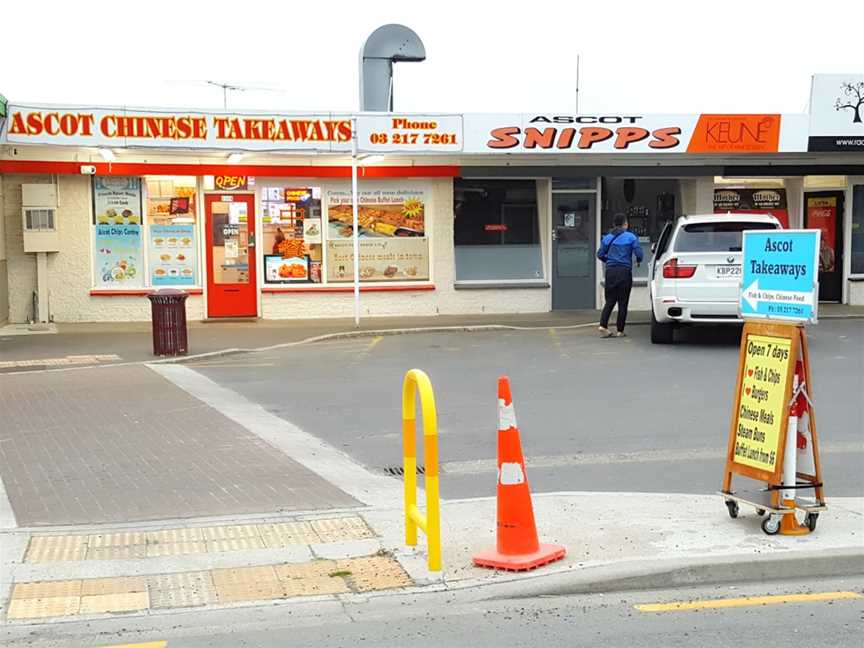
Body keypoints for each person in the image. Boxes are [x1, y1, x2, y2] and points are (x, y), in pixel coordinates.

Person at [597, 213, 643, 337]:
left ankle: (603, 325)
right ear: (625, 224)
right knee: (623, 301)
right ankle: (620, 330)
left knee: (610, 300)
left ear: (613, 224)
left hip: (610, 272)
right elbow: (639, 253)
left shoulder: (607, 238)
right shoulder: (631, 237)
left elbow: (600, 254)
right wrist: (638, 261)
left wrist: (610, 261)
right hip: (624, 272)